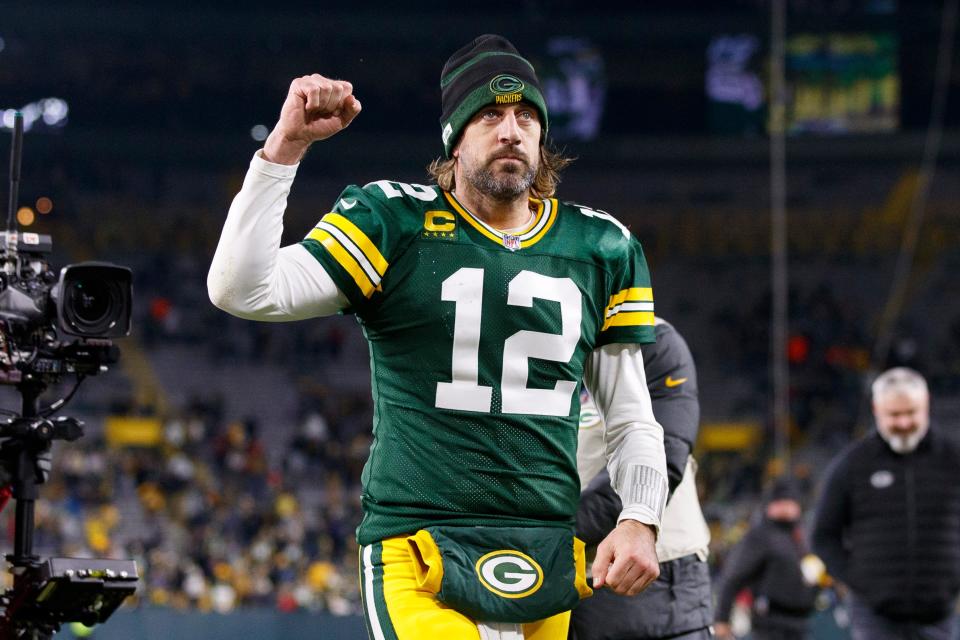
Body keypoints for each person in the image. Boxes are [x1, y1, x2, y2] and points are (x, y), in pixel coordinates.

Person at [207, 34, 668, 639]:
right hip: (418, 545)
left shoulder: (599, 245)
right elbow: (243, 290)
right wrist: (284, 148)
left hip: (544, 552)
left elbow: (631, 416)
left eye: (526, 115)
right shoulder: (394, 222)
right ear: (454, 137)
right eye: (490, 114)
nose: (511, 130)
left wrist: (640, 518)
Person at [571, 317, 713, 640]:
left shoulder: (652, 339)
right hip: (567, 576)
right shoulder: (539, 338)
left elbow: (662, 458)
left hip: (655, 579)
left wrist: (552, 532)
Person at [811, 367, 960, 640]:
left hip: (939, 614)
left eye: (911, 413)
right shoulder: (852, 465)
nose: (903, 423)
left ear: (926, 406)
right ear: (876, 409)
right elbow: (822, 536)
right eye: (894, 415)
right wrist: (860, 581)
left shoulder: (952, 459)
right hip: (875, 616)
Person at [713, 477, 818, 640]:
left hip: (802, 621)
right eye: (781, 502)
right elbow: (732, 577)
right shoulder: (760, 535)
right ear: (770, 505)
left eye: (790, 502)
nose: (786, 507)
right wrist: (721, 619)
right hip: (771, 624)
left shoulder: (801, 534)